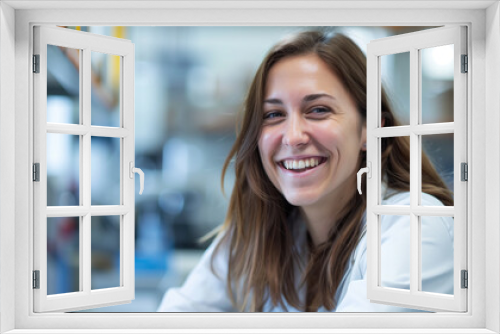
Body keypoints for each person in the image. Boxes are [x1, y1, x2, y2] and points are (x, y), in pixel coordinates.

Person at [157, 31, 454, 312]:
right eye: (274, 115)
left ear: (371, 130)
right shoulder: (264, 231)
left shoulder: (414, 226)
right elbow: (178, 315)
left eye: (319, 110)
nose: (293, 136)